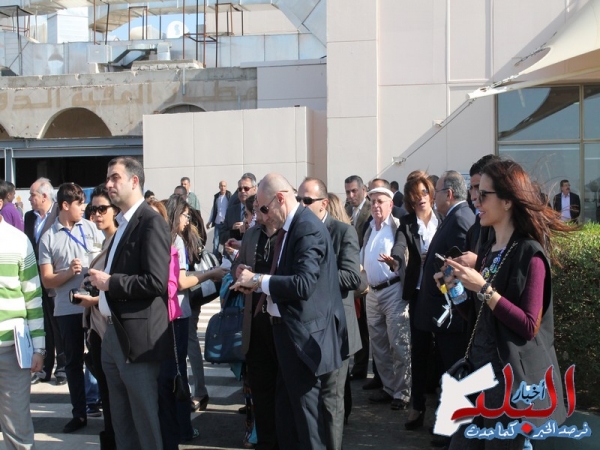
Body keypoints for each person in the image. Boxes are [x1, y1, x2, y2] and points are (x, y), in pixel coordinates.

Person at [442, 159, 570, 449]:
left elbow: (528, 325)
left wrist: (483, 288)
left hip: (512, 388)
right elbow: (478, 316)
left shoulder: (530, 254)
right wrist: (455, 288)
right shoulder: (488, 250)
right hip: (479, 379)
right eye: (475, 193)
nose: (476, 200)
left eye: (484, 194)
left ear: (508, 201)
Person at [232, 173, 347, 450]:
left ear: (280, 199)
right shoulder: (291, 227)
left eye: (263, 208)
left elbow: (304, 284)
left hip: (304, 340)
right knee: (286, 421)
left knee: (308, 427)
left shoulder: (305, 227)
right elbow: (285, 277)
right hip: (287, 337)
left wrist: (258, 281)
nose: (261, 216)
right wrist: (255, 283)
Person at [88, 157, 172, 450]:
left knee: (144, 420)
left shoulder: (150, 222)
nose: (109, 184)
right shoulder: (122, 224)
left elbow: (156, 281)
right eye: (107, 178)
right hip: (112, 333)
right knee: (121, 421)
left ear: (134, 181)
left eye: (115, 177)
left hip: (137, 340)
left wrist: (111, 282)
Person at [298, 178, 361, 450]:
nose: (301, 206)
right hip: (307, 330)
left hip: (336, 329)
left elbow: (352, 277)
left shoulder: (343, 232)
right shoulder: (297, 232)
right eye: (299, 200)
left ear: (323, 204)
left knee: (332, 402)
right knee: (310, 402)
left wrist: (313, 276)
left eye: (307, 201)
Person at [414, 171, 475, 447]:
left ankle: (453, 432)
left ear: (448, 194)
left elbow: (462, 267)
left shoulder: (461, 219)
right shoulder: (453, 217)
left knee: (455, 372)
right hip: (446, 315)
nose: (432, 196)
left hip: (453, 316)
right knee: (448, 372)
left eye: (435, 191)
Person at [38, 182, 104, 434]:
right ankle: (79, 413)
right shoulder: (48, 237)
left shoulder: (90, 227)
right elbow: (47, 280)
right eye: (79, 204)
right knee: (73, 362)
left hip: (94, 305)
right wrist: (68, 273)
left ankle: (103, 404)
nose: (84, 209)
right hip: (67, 309)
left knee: (99, 358)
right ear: (65, 205)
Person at [385, 171, 441, 430]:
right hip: (419, 294)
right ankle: (417, 406)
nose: (420, 198)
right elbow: (399, 246)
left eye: (424, 192)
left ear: (431, 193)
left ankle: (444, 409)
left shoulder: (443, 220)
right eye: (415, 195)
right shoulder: (407, 223)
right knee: (419, 351)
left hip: (444, 293)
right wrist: (396, 260)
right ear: (409, 200)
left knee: (443, 353)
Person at [73, 184, 119, 449]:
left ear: (115, 210)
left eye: (102, 209)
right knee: (106, 391)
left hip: (112, 327)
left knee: (113, 394)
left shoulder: (119, 241)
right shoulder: (103, 240)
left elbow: (122, 286)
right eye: (93, 209)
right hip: (97, 327)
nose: (97, 214)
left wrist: (94, 299)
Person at [232, 195, 280, 450]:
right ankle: (266, 441)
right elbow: (236, 266)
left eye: (259, 208)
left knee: (283, 391)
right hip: (255, 323)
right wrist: (238, 270)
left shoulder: (288, 234)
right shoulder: (251, 236)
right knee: (260, 390)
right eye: (252, 209)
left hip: (282, 325)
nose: (254, 213)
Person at [359, 186, 411, 411]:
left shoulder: (397, 227)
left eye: (380, 201)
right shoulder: (369, 227)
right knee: (378, 345)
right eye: (372, 202)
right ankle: (389, 388)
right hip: (372, 292)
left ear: (391, 204)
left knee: (398, 343)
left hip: (393, 290)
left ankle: (403, 392)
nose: (375, 205)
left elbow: (404, 254)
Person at [0, 209, 45, 449]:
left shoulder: (18, 240)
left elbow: (33, 297)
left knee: (17, 425)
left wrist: (39, 348)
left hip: (12, 349)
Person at [24, 177, 67, 386]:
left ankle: (63, 368)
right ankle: (44, 367)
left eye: (32, 195)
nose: (29, 199)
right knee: (44, 326)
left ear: (43, 196)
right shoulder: (29, 217)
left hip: (56, 278)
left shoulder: (59, 212)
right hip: (36, 279)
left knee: (59, 326)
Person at [343, 175, 372, 384]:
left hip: (366, 274)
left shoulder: (370, 210)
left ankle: (364, 367)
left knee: (366, 325)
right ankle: (359, 366)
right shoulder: (346, 210)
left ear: (363, 190)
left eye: (354, 191)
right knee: (358, 323)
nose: (351, 195)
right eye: (347, 192)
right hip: (352, 272)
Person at [207, 180, 231, 260]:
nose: (223, 188)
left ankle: (225, 258)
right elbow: (213, 209)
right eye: (221, 186)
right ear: (219, 187)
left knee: (226, 241)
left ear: (226, 187)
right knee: (216, 242)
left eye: (224, 186)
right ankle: (215, 258)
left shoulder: (229, 196)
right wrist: (210, 221)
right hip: (217, 222)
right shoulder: (217, 197)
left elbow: (232, 209)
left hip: (226, 223)